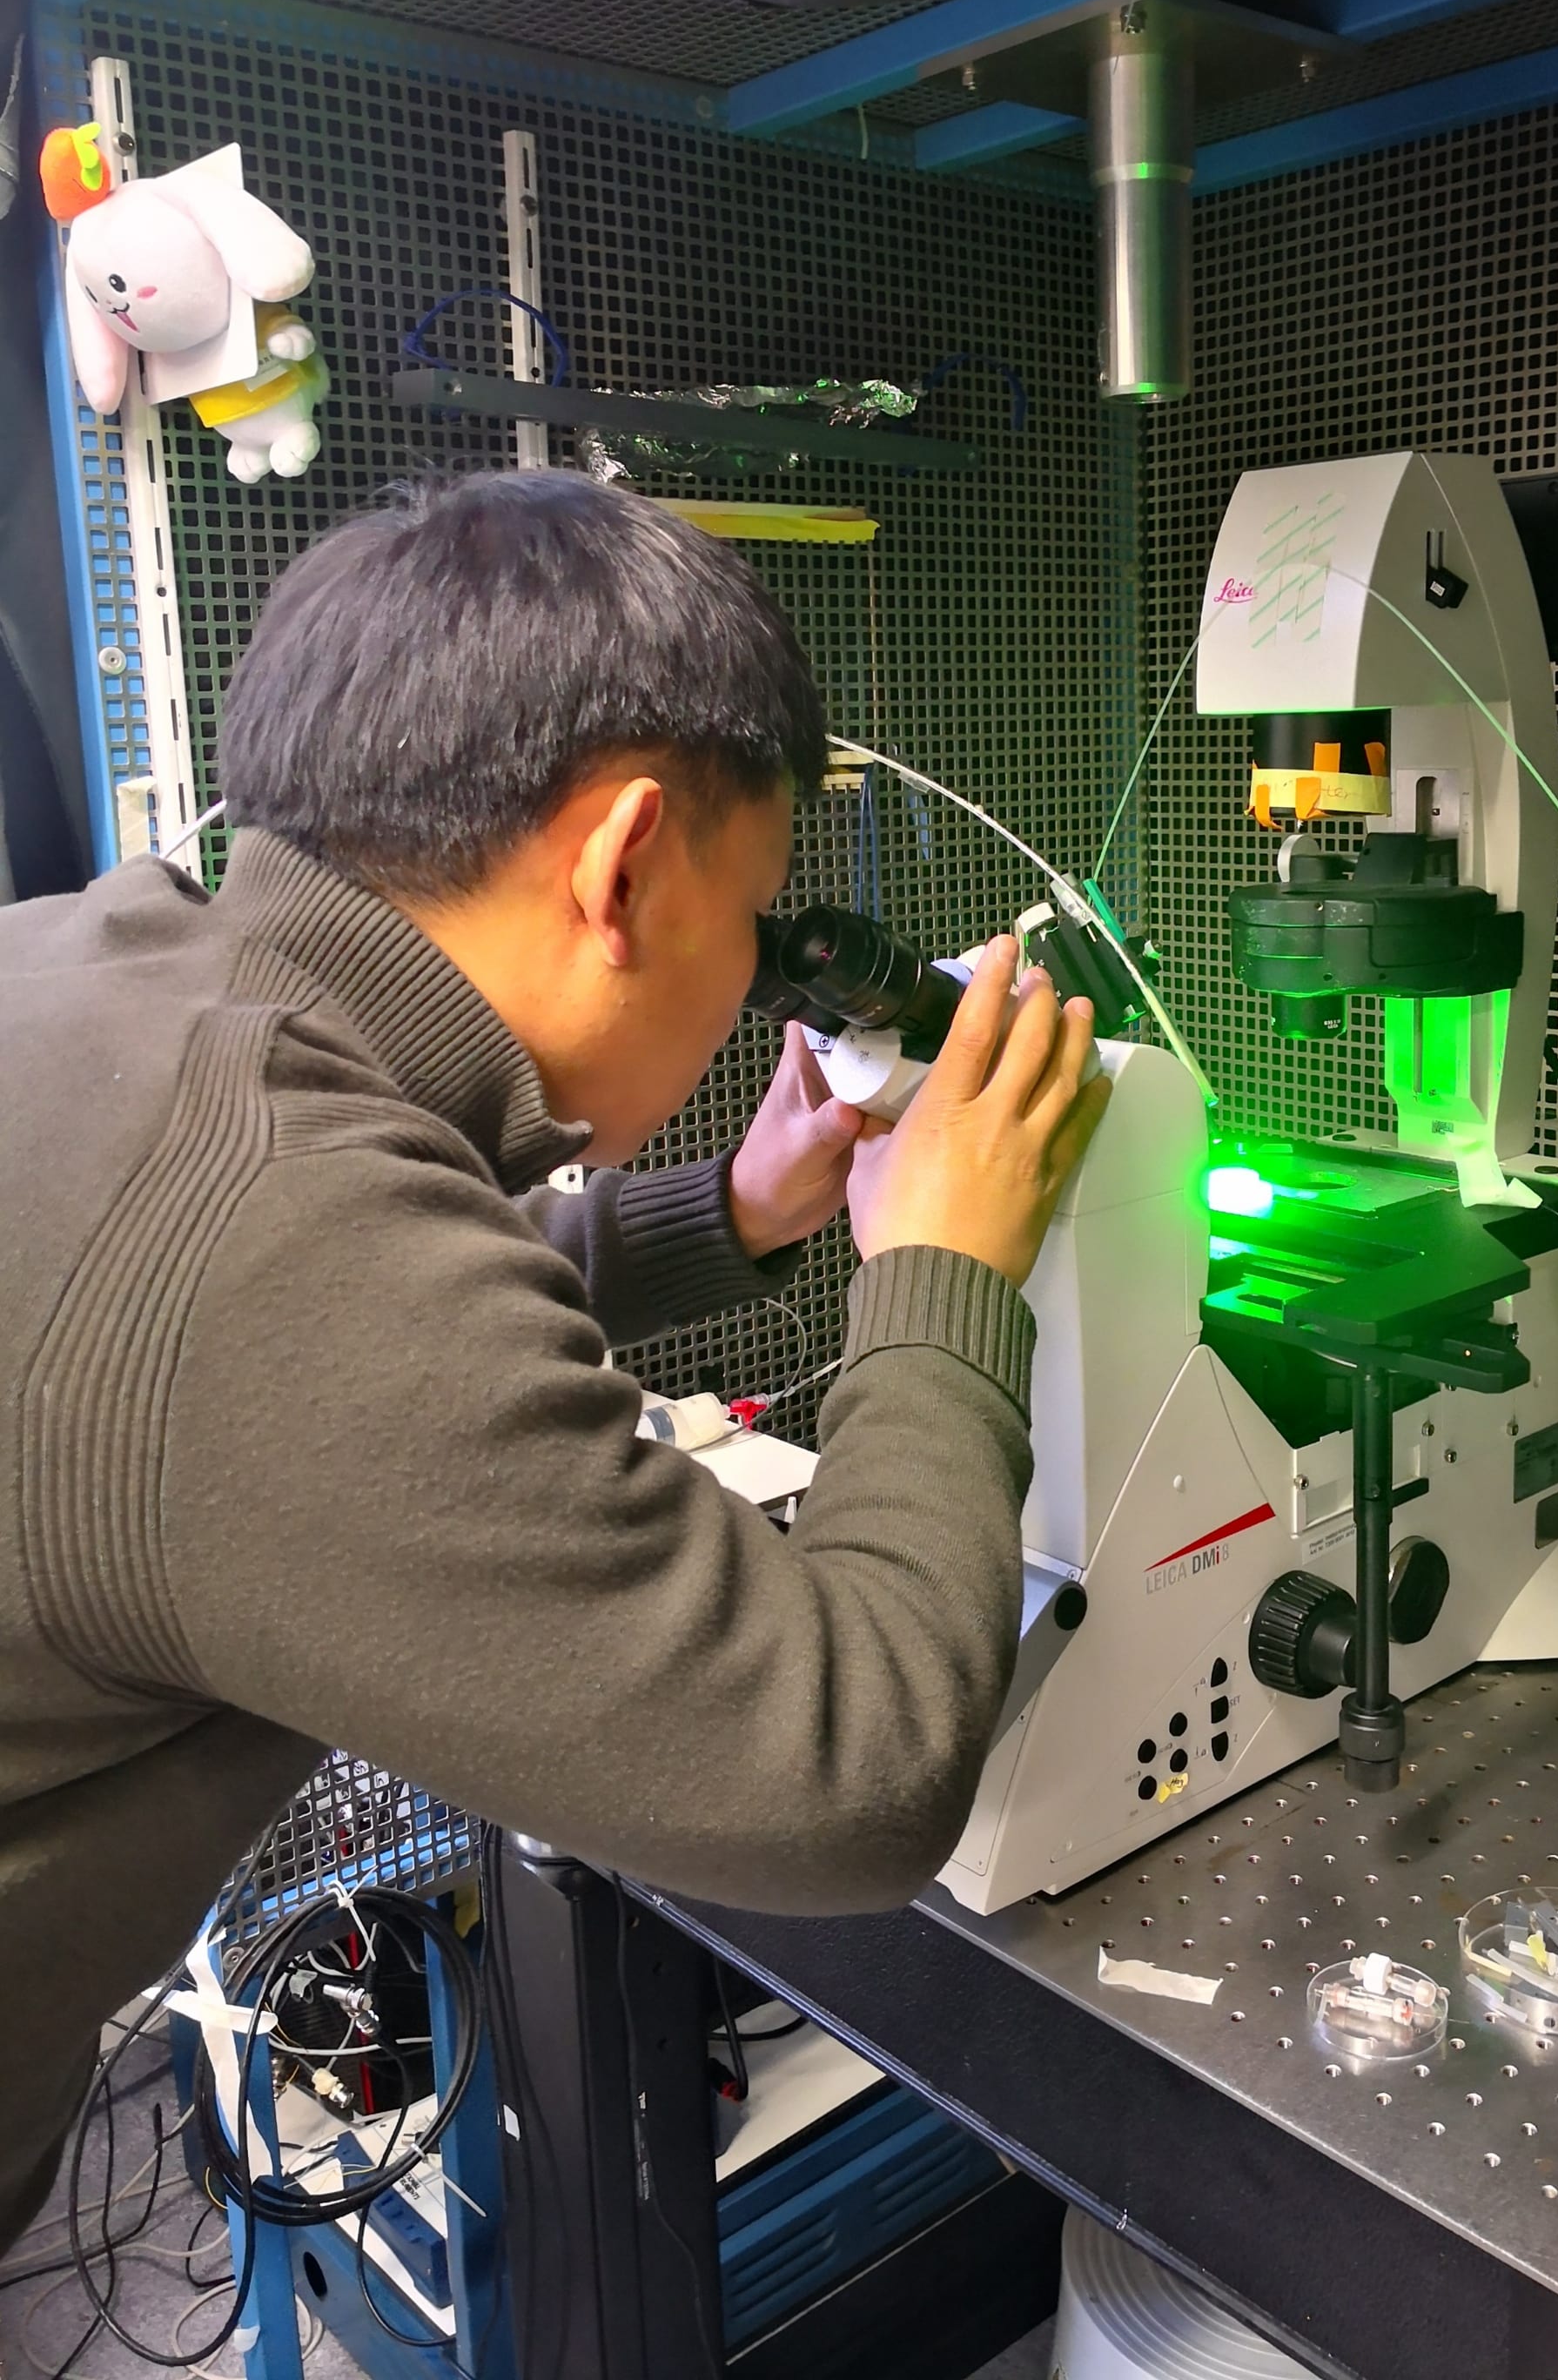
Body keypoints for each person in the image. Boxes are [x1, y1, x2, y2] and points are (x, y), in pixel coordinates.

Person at [0, 467, 1109, 2249]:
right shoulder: (280, 1239)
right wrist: (946, 1268)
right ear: (625, 864)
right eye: (753, 923)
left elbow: (342, 1304)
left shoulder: (115, 973)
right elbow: (854, 1774)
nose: (754, 985)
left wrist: (731, 1210)